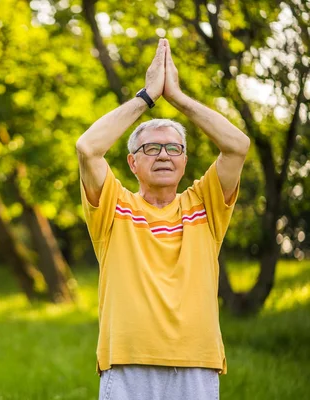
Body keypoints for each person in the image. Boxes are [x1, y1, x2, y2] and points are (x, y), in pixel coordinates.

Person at [76, 39, 250, 400]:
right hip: (128, 363)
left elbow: (237, 145)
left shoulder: (205, 204)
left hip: (197, 364)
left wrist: (179, 98)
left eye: (174, 148)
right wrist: (147, 97)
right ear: (132, 163)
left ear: (185, 161)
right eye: (151, 148)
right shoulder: (113, 205)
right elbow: (87, 148)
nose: (164, 155)